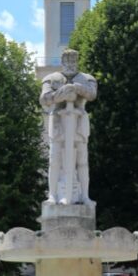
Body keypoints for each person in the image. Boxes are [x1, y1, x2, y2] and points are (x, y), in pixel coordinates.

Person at [40, 49, 97, 206]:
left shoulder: (86, 78)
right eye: (67, 61)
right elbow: (44, 98)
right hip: (58, 121)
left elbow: (92, 94)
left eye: (73, 61)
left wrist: (77, 88)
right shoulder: (51, 78)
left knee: (82, 161)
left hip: (79, 121)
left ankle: (84, 196)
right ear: (62, 62)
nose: (70, 64)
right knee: (54, 160)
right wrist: (61, 94)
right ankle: (52, 195)